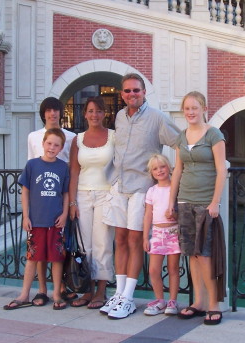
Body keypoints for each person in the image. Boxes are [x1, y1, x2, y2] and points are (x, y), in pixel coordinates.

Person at [101, 73, 180, 319]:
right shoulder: (120, 117)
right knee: (120, 240)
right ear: (122, 94)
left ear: (143, 92)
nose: (132, 94)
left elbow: (180, 143)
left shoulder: (157, 118)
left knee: (135, 241)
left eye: (136, 90)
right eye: (127, 91)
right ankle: (120, 292)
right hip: (119, 185)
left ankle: (128, 297)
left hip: (141, 188)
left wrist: (175, 178)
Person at [167, 91, 227, 325]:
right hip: (185, 201)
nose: (190, 112)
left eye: (194, 108)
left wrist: (215, 201)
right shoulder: (181, 137)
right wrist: (172, 201)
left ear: (203, 108)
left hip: (205, 202)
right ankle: (199, 302)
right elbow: (177, 171)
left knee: (205, 255)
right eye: (187, 109)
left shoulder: (214, 135)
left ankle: (214, 304)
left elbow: (221, 169)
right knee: (191, 253)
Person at [4, 128, 70, 310]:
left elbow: (65, 194)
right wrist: (25, 216)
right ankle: (24, 293)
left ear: (61, 148)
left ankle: (56, 293)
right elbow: (25, 192)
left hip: (56, 222)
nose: (52, 147)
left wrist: (64, 214)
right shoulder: (32, 165)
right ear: (43, 144)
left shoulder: (63, 167)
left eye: (56, 145)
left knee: (57, 259)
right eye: (49, 143)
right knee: (33, 258)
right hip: (36, 221)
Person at [27, 97, 77, 306]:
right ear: (44, 113)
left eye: (56, 110)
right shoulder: (33, 137)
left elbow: (73, 168)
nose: (52, 114)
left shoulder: (72, 137)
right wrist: (27, 209)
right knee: (38, 248)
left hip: (60, 199)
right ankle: (41, 289)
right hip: (40, 202)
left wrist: (70, 204)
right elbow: (30, 169)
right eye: (48, 110)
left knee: (61, 246)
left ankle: (62, 287)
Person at [68, 97, 115, 309]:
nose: (94, 115)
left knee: (103, 243)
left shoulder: (114, 137)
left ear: (104, 113)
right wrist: (72, 203)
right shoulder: (77, 140)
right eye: (90, 111)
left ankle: (101, 292)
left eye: (98, 111)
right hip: (83, 196)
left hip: (107, 195)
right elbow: (74, 172)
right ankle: (87, 290)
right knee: (84, 245)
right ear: (85, 114)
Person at [142, 154, 180, 316]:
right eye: (155, 169)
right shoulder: (151, 191)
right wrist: (145, 237)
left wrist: (175, 215)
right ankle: (160, 300)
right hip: (157, 232)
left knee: (173, 268)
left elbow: (181, 212)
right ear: (151, 172)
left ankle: (172, 300)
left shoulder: (175, 188)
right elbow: (148, 215)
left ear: (169, 167)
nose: (159, 171)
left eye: (162, 167)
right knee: (153, 269)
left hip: (173, 232)